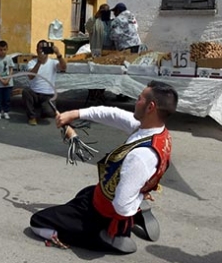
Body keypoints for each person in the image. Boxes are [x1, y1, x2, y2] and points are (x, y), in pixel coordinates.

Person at [30, 81, 179, 254]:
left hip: (109, 212)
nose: (135, 101)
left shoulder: (140, 156)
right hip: (111, 191)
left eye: (139, 99)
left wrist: (137, 197)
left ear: (150, 107)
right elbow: (112, 114)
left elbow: (121, 206)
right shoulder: (155, 131)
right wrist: (74, 114)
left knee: (38, 222)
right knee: (85, 193)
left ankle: (106, 235)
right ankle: (135, 208)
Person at [23, 40, 67, 126]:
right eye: (40, 48)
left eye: (45, 48)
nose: (42, 50)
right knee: (25, 92)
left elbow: (64, 67)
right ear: (37, 50)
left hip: (48, 94)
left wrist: (58, 54)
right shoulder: (32, 62)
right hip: (34, 93)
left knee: (50, 113)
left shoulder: (53, 62)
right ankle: (31, 117)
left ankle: (43, 110)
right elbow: (31, 76)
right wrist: (39, 62)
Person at [0, 40, 15, 120]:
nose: (2, 51)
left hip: (8, 83)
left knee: (7, 98)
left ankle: (6, 112)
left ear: (7, 49)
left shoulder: (9, 58)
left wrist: (8, 79)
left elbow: (11, 69)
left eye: (4, 49)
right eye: (0, 49)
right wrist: (1, 80)